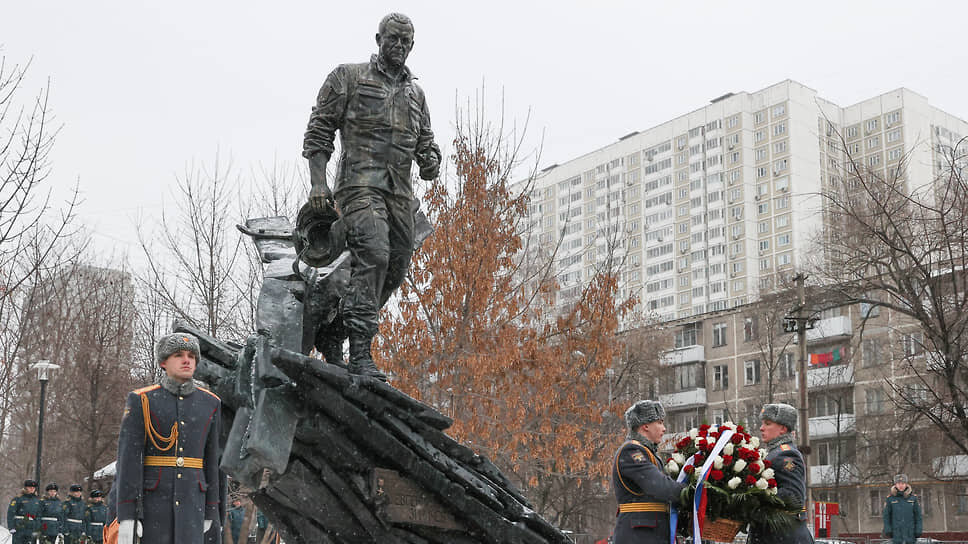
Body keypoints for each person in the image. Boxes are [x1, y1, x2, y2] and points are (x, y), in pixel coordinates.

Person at [302, 12, 441, 380]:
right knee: (375, 254)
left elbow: (427, 143)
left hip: (399, 192)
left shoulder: (416, 94)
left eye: (406, 41)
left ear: (412, 46)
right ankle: (362, 353)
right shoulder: (347, 77)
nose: (399, 46)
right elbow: (319, 130)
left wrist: (431, 161)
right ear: (378, 38)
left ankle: (336, 331)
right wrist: (319, 183)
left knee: (394, 268)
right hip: (358, 187)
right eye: (392, 39)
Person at [115, 333, 223, 544]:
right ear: (163, 362)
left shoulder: (211, 403)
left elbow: (214, 462)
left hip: (194, 504)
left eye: (192, 356)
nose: (187, 360)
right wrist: (127, 514)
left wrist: (213, 509)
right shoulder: (142, 400)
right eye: (179, 355)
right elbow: (128, 461)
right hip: (153, 504)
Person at [612, 400, 685, 544]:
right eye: (659, 422)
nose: (664, 428)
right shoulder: (631, 451)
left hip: (648, 534)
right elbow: (659, 486)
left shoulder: (647, 452)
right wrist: (690, 492)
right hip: (639, 535)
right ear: (645, 425)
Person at [748, 403, 814, 544]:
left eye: (768, 423)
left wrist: (755, 499)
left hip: (784, 536)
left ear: (783, 429)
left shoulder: (786, 454)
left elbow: (793, 496)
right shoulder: (774, 453)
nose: (761, 428)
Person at [883, 474, 923, 544]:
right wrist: (888, 529)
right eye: (898, 483)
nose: (901, 485)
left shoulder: (913, 498)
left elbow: (918, 516)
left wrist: (918, 529)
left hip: (910, 534)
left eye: (903, 483)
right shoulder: (890, 499)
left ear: (906, 484)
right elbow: (886, 516)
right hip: (896, 534)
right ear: (895, 485)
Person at [6, 479, 43, 544]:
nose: (32, 489)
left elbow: (39, 515)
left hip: (31, 528)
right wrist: (11, 527)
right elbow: (11, 513)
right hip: (19, 527)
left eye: (33, 487)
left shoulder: (37, 500)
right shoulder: (18, 498)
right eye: (30, 487)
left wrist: (37, 528)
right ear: (25, 488)